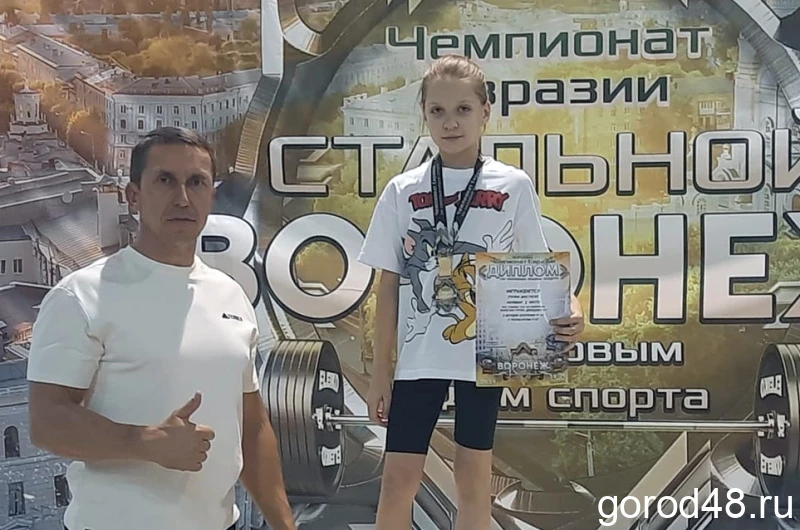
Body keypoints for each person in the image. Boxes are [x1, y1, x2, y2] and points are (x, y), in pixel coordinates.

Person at [26, 127, 297, 530]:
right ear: (134, 196)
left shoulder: (231, 296)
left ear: (211, 197)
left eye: (196, 182)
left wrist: (285, 524)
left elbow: (253, 428)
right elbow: (47, 422)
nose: (182, 198)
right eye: (165, 180)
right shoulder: (80, 295)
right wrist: (145, 442)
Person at [357, 54, 586, 530]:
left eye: (462, 109)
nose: (450, 122)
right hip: (419, 359)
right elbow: (388, 284)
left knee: (474, 483)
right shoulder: (402, 189)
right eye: (437, 111)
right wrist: (380, 372)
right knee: (398, 481)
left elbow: (538, 268)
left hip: (486, 355)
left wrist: (572, 307)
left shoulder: (513, 184)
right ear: (424, 114)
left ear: (485, 112)